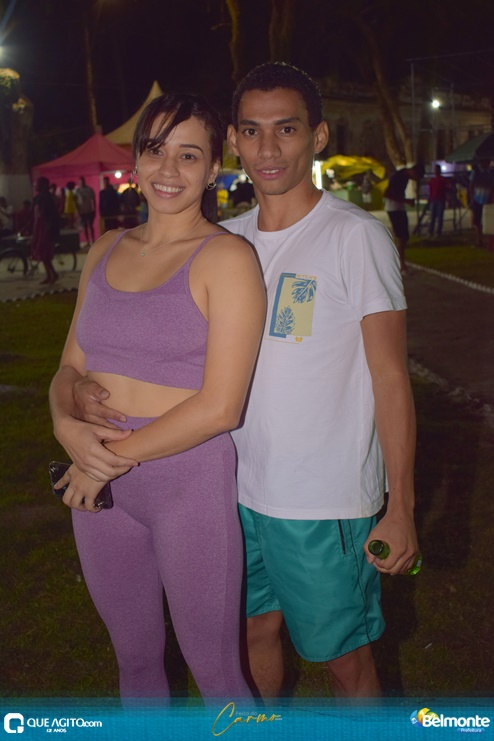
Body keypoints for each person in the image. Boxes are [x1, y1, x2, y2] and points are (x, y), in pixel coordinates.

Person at [65, 63, 419, 700]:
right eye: (252, 131)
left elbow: (391, 377)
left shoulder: (356, 236)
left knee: (343, 658)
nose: (268, 148)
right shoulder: (231, 237)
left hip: (320, 499)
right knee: (251, 636)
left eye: (287, 129)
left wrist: (401, 507)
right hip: (234, 486)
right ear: (233, 142)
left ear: (318, 136)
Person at [48, 92, 266, 701]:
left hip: (185, 485)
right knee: (135, 662)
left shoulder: (227, 259)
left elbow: (220, 407)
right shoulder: (105, 248)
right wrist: (66, 423)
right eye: (155, 149)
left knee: (218, 675)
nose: (168, 169)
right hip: (101, 489)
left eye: (189, 155)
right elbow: (69, 366)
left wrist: (101, 460)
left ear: (214, 168)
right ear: (137, 159)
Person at [384, 163, 418, 274]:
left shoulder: (404, 176)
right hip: (394, 208)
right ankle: (400, 264)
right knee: (402, 236)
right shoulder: (398, 177)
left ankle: (400, 262)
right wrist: (406, 201)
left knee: (403, 237)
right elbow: (389, 194)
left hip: (398, 207)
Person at [31, 176, 60, 284]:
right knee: (43, 253)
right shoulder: (44, 197)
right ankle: (51, 274)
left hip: (45, 228)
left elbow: (44, 215)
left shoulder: (44, 198)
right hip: (43, 227)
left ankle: (52, 274)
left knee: (44, 252)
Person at [469, 159, 494, 247]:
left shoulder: (490, 173)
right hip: (478, 198)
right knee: (477, 221)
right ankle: (479, 240)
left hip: (487, 199)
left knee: (487, 220)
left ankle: (486, 240)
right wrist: (472, 198)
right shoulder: (476, 172)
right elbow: (471, 185)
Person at [427, 164, 448, 239]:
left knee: (439, 216)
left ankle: (437, 231)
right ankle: (431, 231)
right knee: (433, 216)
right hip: (434, 199)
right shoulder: (433, 180)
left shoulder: (441, 180)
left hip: (440, 199)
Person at [75, 176, 96, 245]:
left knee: (90, 226)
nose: (81, 183)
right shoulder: (77, 191)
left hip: (89, 210)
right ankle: (88, 241)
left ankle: (93, 240)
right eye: (80, 182)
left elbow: (93, 200)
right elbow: (76, 201)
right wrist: (78, 210)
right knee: (85, 226)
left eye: (82, 182)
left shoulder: (89, 190)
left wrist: (94, 209)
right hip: (82, 211)